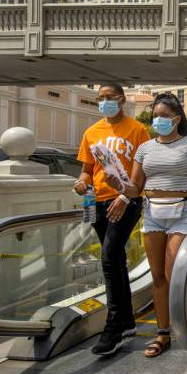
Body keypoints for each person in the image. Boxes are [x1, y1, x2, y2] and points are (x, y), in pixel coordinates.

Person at [109, 92, 187, 357]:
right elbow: (136, 188)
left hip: (185, 211)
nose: (158, 120)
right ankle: (163, 333)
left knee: (172, 272)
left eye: (164, 116)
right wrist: (119, 186)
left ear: (177, 119)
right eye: (155, 116)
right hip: (153, 213)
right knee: (157, 276)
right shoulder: (144, 149)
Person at [75, 83, 151, 356]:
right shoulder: (92, 132)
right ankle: (128, 321)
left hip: (126, 202)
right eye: (100, 98)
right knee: (115, 259)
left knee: (108, 258)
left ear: (121, 100)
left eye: (109, 98)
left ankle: (113, 327)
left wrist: (126, 196)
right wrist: (81, 182)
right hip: (98, 202)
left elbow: (142, 173)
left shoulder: (137, 130)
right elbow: (86, 170)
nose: (104, 102)